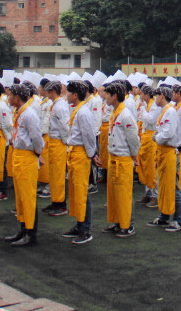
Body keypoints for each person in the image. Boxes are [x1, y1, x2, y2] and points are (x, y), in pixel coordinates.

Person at [5, 84, 44, 247]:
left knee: (28, 197)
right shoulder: (19, 112)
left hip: (27, 157)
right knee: (20, 197)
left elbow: (37, 138)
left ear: (17, 97)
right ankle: (23, 229)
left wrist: (37, 154)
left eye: (10, 95)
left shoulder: (29, 114)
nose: (8, 97)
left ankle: (30, 233)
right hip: (19, 155)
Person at [101, 82, 140, 238]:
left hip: (123, 158)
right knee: (114, 194)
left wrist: (134, 155)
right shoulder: (114, 113)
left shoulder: (125, 115)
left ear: (115, 96)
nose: (105, 97)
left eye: (108, 94)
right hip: (114, 157)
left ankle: (128, 225)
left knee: (124, 194)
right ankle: (117, 221)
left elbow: (133, 138)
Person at [62, 80, 99, 245]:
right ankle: (79, 223)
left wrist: (92, 154)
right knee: (76, 192)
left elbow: (89, 135)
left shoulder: (83, 112)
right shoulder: (77, 110)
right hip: (74, 153)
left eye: (68, 92)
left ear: (75, 95)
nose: (66, 95)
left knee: (82, 192)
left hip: (81, 154)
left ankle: (86, 229)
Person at [147, 86, 181, 232]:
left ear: (162, 95)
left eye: (155, 96)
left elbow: (168, 133)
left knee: (173, 187)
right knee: (163, 186)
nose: (154, 99)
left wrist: (156, 137)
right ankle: (164, 216)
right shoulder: (165, 111)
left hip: (169, 152)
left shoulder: (170, 112)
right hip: (163, 152)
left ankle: (178, 220)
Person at [43, 81, 70, 216]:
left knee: (58, 174)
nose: (46, 93)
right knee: (53, 174)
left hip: (59, 142)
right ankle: (55, 200)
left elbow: (65, 127)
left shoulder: (60, 106)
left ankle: (60, 204)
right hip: (54, 142)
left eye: (48, 91)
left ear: (52, 91)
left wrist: (66, 144)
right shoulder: (56, 105)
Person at [136, 85, 160, 206]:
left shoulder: (154, 105)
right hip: (146, 137)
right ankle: (148, 193)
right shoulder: (148, 105)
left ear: (146, 95)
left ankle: (155, 195)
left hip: (152, 138)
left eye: (141, 94)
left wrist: (142, 108)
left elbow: (150, 120)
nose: (140, 96)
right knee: (145, 166)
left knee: (152, 167)